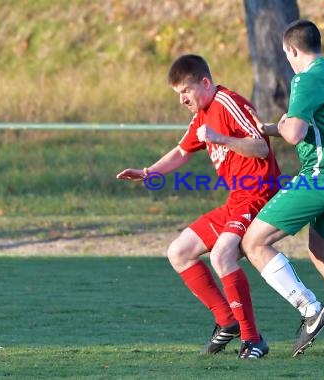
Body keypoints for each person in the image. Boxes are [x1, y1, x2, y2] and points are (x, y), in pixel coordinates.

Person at [116, 54, 280, 359]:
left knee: (222, 256)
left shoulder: (229, 103)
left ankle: (253, 339)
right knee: (178, 252)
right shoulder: (202, 115)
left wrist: (219, 138)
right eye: (178, 94)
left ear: (204, 83)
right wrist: (148, 172)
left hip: (258, 195)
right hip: (236, 201)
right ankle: (227, 321)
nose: (182, 100)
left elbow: (260, 147)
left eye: (185, 92)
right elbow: (182, 151)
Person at [242, 19, 324, 357]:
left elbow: (296, 133)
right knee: (322, 251)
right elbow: (307, 126)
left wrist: (282, 127)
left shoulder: (306, 78)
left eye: (286, 54)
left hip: (322, 175)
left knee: (253, 242)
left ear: (292, 50)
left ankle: (310, 309)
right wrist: (268, 128)